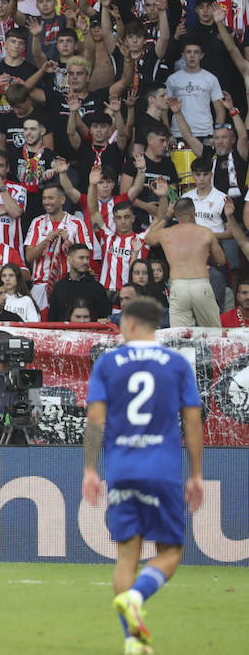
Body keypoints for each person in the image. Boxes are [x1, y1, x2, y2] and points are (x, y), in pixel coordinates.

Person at [82, 296, 203, 654]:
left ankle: (132, 640)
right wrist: (196, 474)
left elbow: (95, 421)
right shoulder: (177, 363)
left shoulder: (109, 362)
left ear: (132, 324)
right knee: (171, 551)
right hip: (162, 469)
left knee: (126, 556)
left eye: (121, 323)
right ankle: (138, 596)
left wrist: (90, 468)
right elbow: (192, 422)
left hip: (121, 469)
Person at [143, 188, 224, 327]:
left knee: (180, 338)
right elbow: (221, 260)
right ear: (193, 212)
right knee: (213, 334)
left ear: (175, 214)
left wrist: (167, 216)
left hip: (178, 286)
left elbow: (148, 238)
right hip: (201, 284)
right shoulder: (205, 232)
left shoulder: (166, 233)